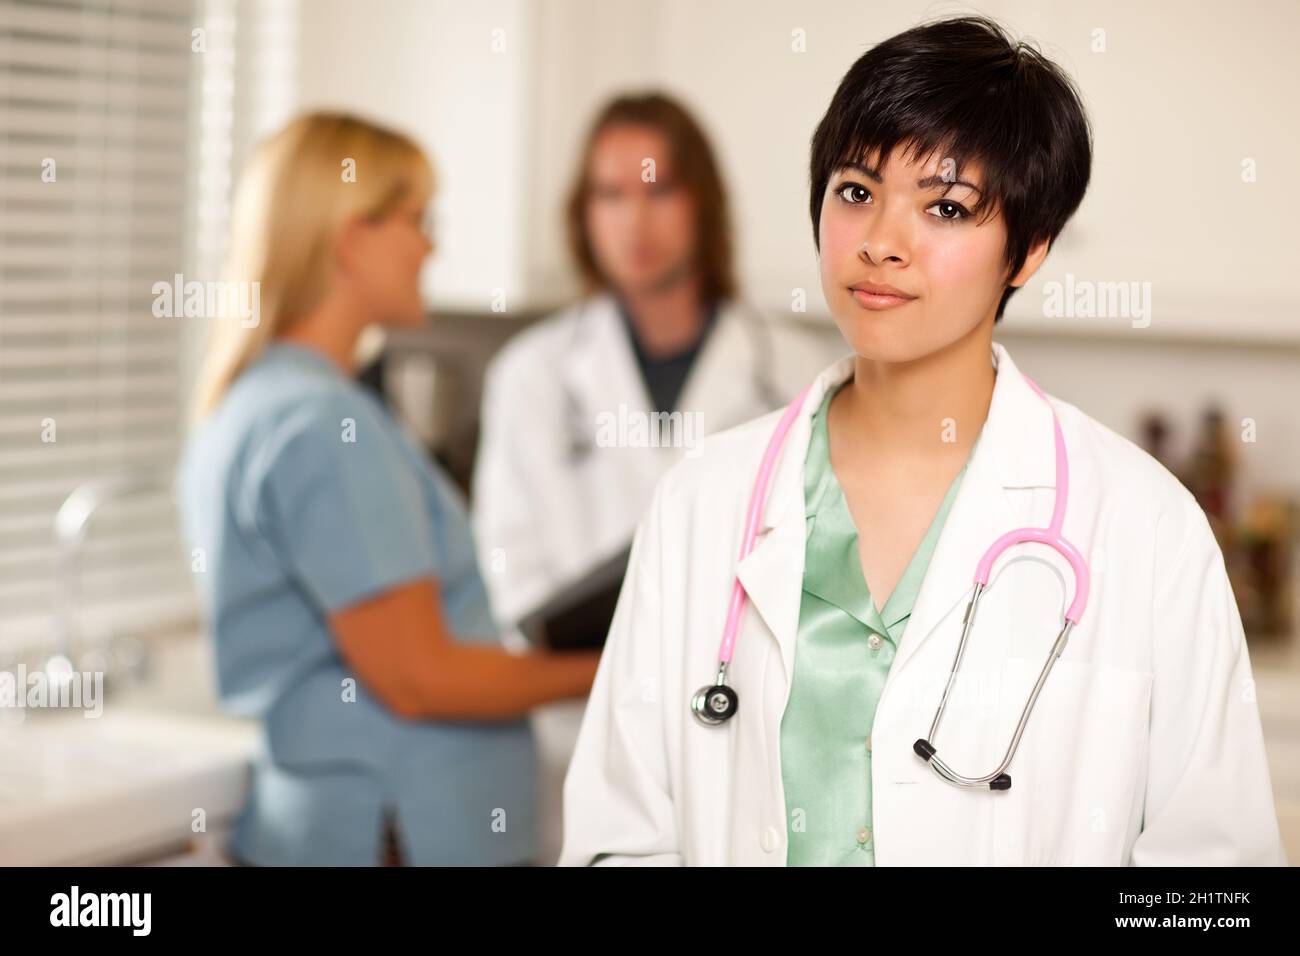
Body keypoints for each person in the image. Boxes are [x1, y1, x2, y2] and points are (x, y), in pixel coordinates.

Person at [559, 17, 1286, 866]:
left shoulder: (1144, 526)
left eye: (946, 207)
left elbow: (1217, 882)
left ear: (1030, 249)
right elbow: (618, 838)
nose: (880, 244)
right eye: (856, 191)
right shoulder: (702, 501)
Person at [177, 112, 599, 867]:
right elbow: (417, 677)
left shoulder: (257, 401)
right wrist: (612, 667)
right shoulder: (323, 425)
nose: (430, 245)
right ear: (350, 234)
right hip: (397, 831)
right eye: (416, 219)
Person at [472, 93, 833, 862]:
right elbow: (513, 585)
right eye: (611, 195)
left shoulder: (799, 372)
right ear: (583, 214)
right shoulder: (532, 375)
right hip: (579, 740)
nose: (634, 221)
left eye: (658, 189)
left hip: (748, 741)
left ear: (703, 203)